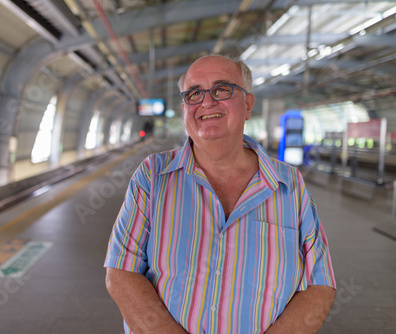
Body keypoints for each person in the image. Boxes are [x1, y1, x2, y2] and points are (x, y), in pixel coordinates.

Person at [104, 54, 336, 334]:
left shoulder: (290, 185)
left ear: (248, 104)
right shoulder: (153, 176)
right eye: (194, 93)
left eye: (222, 89)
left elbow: (320, 283)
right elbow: (121, 273)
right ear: (184, 108)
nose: (207, 102)